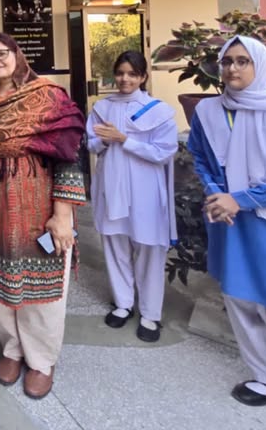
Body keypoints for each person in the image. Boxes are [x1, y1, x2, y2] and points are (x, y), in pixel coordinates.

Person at [188, 35, 266, 430]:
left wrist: (243, 199)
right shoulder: (208, 111)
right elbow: (200, 156)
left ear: (260, 65)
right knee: (240, 300)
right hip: (229, 221)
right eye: (227, 61)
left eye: (242, 61)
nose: (232, 69)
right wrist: (216, 193)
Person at [0, 32, 85, 400]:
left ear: (17, 55)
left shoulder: (47, 96)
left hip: (37, 210)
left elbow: (69, 156)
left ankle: (41, 359)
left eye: (2, 53)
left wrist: (62, 215)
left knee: (40, 290)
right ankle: (12, 347)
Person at [87, 50, 178, 342]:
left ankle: (150, 314)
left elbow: (164, 152)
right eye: (120, 73)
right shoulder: (102, 107)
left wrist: (125, 140)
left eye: (132, 74)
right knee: (115, 245)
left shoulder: (158, 110)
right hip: (111, 186)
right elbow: (91, 144)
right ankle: (124, 303)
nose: (125, 79)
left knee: (149, 249)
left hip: (145, 190)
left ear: (143, 77)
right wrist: (103, 141)